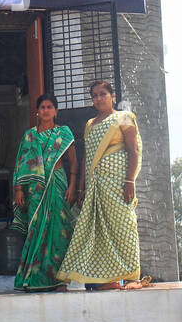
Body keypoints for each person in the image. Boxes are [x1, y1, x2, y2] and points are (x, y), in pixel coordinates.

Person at [57, 80, 143, 290]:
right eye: (94, 96)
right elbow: (87, 157)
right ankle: (103, 279)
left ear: (112, 96)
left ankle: (127, 277)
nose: (98, 98)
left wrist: (130, 181)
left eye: (102, 94)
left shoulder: (124, 118)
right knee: (94, 231)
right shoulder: (90, 124)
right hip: (96, 185)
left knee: (122, 227)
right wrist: (82, 188)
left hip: (117, 183)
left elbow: (134, 151)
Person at [10, 94, 78, 292]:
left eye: (50, 107)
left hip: (58, 183)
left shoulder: (64, 133)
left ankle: (59, 280)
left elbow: (73, 161)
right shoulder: (30, 136)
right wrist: (18, 190)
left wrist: (73, 186)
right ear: (37, 111)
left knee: (59, 230)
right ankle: (34, 279)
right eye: (42, 107)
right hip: (35, 189)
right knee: (36, 230)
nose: (46, 110)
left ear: (56, 111)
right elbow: (21, 164)